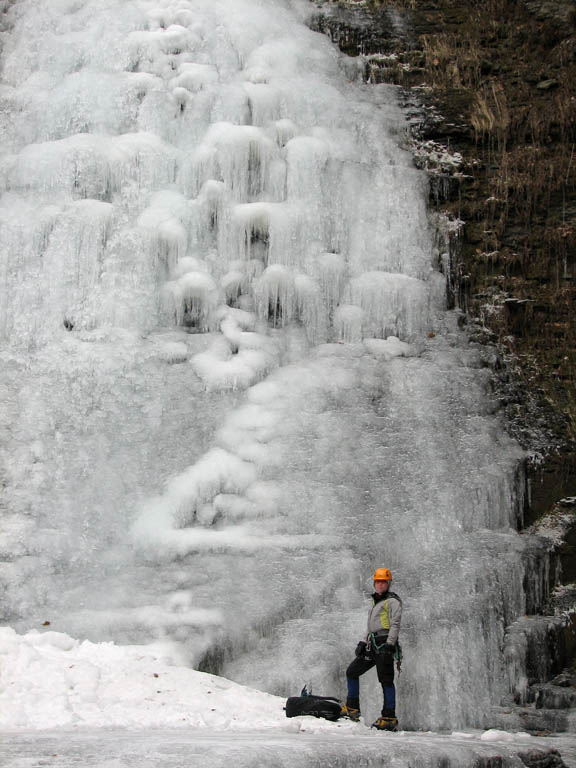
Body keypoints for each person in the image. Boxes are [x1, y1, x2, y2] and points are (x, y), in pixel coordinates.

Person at [341, 567, 402, 730]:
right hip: (373, 644)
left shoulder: (393, 601)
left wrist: (390, 645)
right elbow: (370, 626)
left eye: (383, 582)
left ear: (388, 584)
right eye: (378, 582)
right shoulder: (376, 602)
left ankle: (389, 717)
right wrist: (363, 642)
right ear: (375, 584)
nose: (380, 585)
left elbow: (395, 624)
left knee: (386, 680)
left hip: (384, 643)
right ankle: (352, 708)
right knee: (352, 671)